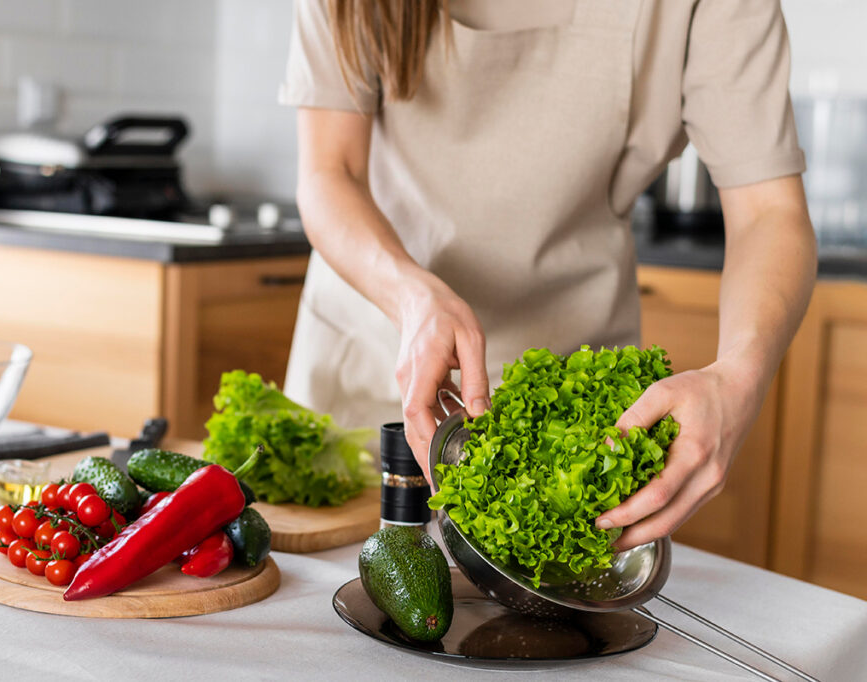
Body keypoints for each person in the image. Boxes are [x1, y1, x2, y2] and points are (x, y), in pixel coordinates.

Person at [278, 0, 817, 551]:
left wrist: (739, 377)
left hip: (579, 418)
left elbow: (769, 213)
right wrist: (410, 297)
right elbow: (329, 173)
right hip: (377, 361)